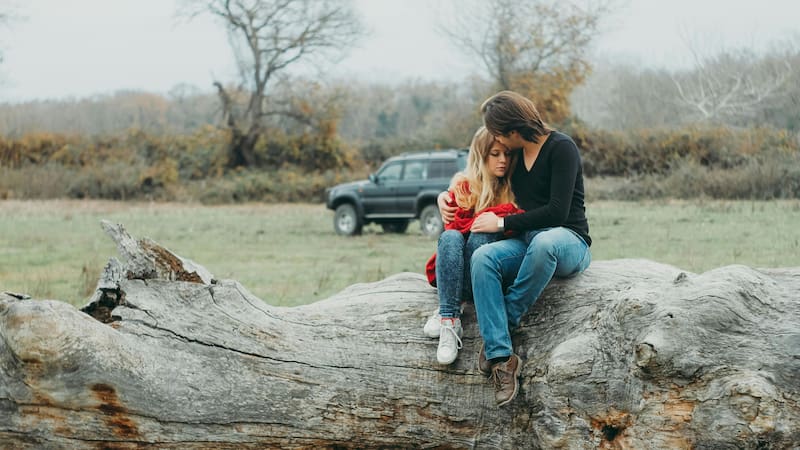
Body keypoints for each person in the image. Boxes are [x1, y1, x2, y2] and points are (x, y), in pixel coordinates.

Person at [439, 91, 592, 406]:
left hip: (567, 240)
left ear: (512, 129)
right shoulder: (515, 156)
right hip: (527, 240)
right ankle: (502, 358)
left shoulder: (561, 148)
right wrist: (445, 196)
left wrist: (500, 224)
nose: (497, 141)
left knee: (544, 242)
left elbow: (557, 212)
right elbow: (477, 177)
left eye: (497, 131)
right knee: (483, 257)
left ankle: (503, 324)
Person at [423, 126, 523, 366]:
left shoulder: (515, 187)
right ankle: (450, 320)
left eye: (507, 154)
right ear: (481, 155)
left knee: (480, 236)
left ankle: (449, 306)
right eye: (495, 154)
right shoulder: (464, 186)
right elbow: (452, 228)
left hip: (488, 275)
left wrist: (495, 221)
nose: (503, 160)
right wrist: (442, 197)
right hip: (457, 269)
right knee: (450, 238)